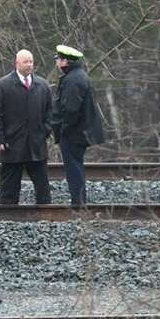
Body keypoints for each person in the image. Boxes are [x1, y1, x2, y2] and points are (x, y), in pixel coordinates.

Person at [0, 49, 53, 205]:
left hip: (36, 144)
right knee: (9, 187)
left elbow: (50, 113)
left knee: (42, 186)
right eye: (26, 62)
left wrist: (44, 132)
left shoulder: (43, 85)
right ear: (17, 63)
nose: (29, 65)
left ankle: (45, 218)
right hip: (12, 144)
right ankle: (8, 217)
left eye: (31, 61)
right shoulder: (3, 85)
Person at [52, 44, 106, 208]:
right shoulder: (78, 76)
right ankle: (79, 200)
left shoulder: (73, 80)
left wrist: (63, 130)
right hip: (79, 132)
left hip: (74, 133)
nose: (56, 63)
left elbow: (70, 110)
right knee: (76, 166)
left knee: (73, 168)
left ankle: (78, 202)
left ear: (65, 61)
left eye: (58, 59)